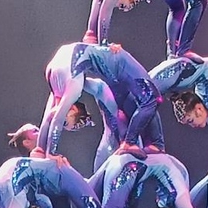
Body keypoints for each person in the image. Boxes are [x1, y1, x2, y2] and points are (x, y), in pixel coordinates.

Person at [35, 42, 164, 161]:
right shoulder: (70, 84)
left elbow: (56, 118)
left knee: (151, 99)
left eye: (65, 123)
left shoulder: (73, 86)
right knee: (150, 100)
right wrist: (41, 150)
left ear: (73, 109)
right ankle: (140, 143)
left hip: (114, 61)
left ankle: (136, 143)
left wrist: (49, 152)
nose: (63, 122)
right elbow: (51, 117)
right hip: (100, 62)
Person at [150, 53, 208, 162]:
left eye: (190, 120)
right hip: (204, 72)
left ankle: (180, 54)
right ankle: (180, 55)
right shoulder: (204, 108)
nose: (192, 126)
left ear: (198, 109)